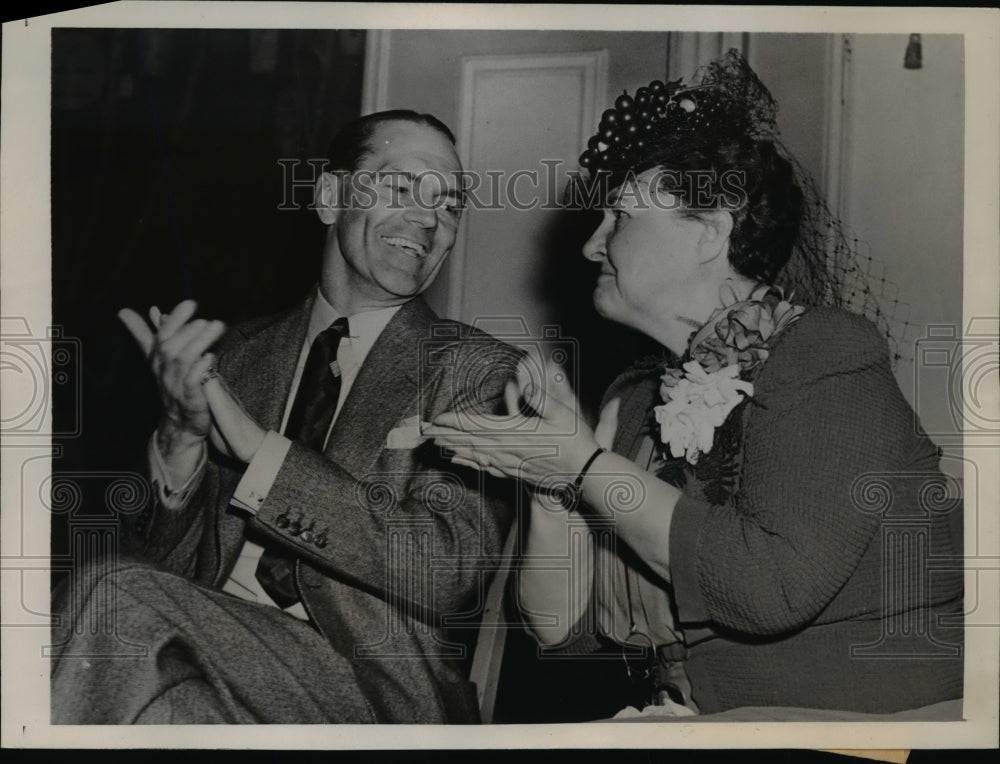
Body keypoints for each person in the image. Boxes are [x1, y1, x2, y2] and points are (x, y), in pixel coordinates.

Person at [426, 52, 964, 717]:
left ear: (710, 231)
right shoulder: (632, 397)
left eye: (619, 217)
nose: (594, 247)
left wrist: (586, 465)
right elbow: (560, 630)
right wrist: (552, 484)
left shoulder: (823, 353)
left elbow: (770, 587)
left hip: (850, 728)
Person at [51, 110, 519, 724]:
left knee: (112, 597)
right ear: (329, 197)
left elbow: (446, 571)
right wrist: (182, 437)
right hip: (215, 658)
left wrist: (261, 452)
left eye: (450, 205)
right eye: (402, 188)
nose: (430, 220)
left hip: (372, 689)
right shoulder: (241, 356)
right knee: (146, 684)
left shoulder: (480, 370)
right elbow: (164, 576)